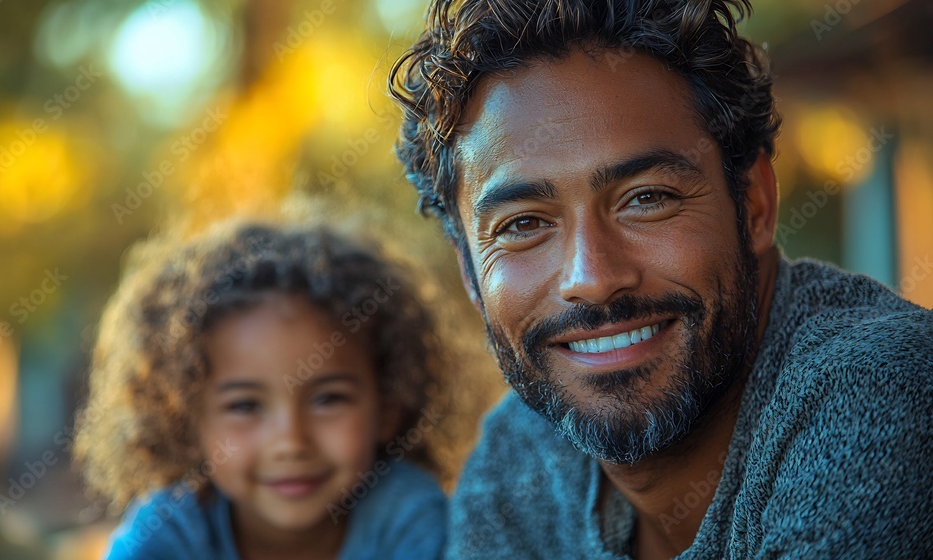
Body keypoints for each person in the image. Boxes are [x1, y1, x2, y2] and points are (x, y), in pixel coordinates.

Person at [388, 0, 933, 558]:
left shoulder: (886, 389)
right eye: (523, 224)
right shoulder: (521, 461)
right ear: (470, 275)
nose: (593, 279)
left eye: (646, 199)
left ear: (754, 205)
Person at [74, 221, 448, 560]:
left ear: (386, 409)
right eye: (246, 406)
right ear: (187, 425)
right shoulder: (171, 533)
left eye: (328, 399)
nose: (291, 442)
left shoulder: (410, 519)